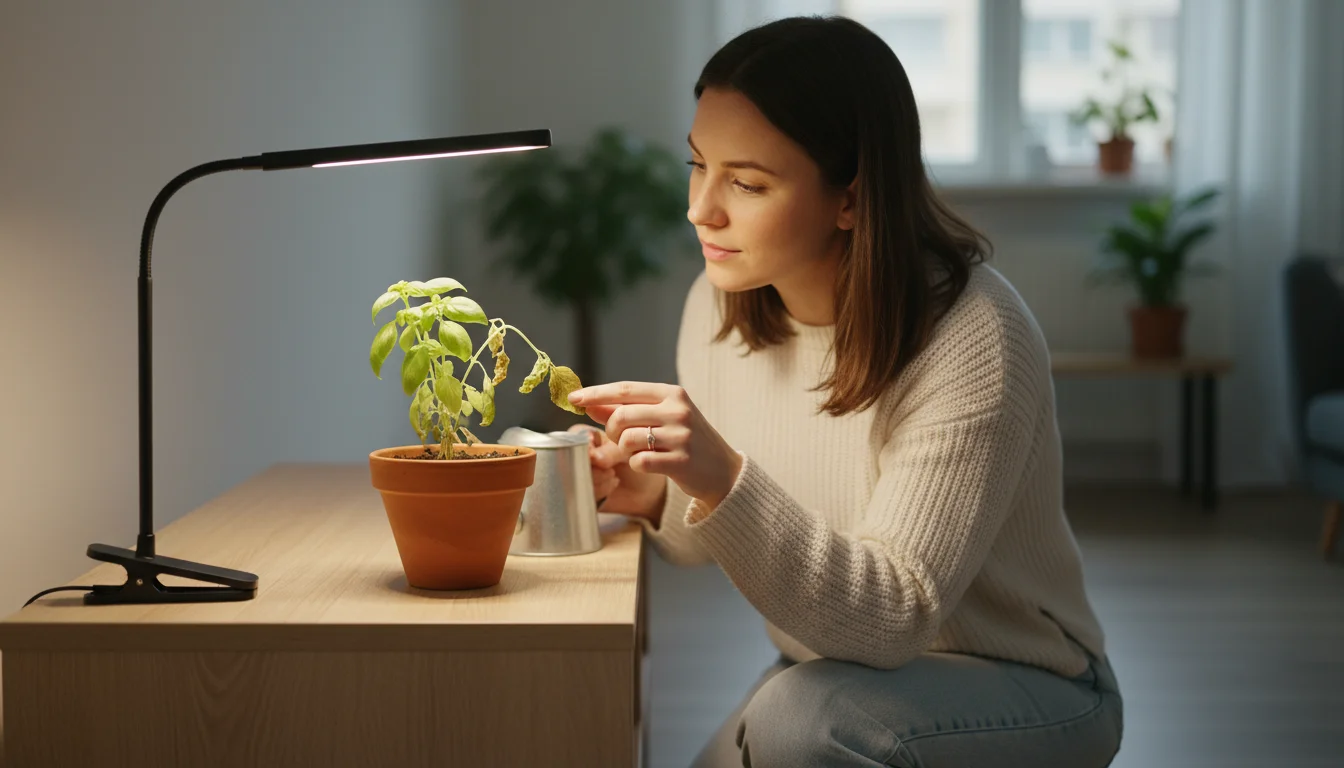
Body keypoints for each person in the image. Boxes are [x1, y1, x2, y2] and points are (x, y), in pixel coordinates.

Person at [566, 15, 1122, 768]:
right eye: (698, 165)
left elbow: (893, 617)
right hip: (831, 671)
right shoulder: (719, 301)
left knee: (798, 724)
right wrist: (655, 490)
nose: (701, 209)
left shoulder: (975, 337)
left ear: (852, 199)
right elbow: (730, 531)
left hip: (1027, 683)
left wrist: (721, 473)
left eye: (748, 182)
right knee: (791, 715)